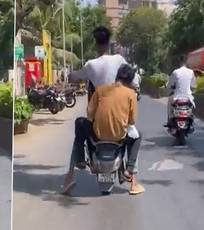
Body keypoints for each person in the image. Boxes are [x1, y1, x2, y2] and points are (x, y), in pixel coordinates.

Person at [62, 64, 145, 195]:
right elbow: (132, 120)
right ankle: (129, 170)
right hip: (119, 137)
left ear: (117, 76)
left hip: (97, 136)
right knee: (138, 136)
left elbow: (89, 114)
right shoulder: (131, 94)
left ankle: (80, 159)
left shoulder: (100, 90)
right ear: (130, 80)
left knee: (80, 122)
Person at [68, 26, 138, 100]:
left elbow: (72, 78)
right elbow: (134, 77)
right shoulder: (119, 59)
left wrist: (72, 74)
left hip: (101, 107)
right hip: (120, 107)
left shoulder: (91, 65)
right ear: (108, 43)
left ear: (96, 44)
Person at [165, 55, 196, 126]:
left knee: (169, 103)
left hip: (177, 97)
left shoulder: (175, 72)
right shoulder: (191, 72)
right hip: (188, 97)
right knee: (192, 106)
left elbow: (169, 85)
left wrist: (169, 88)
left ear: (179, 62)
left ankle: (170, 120)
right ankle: (191, 119)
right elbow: (194, 86)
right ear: (186, 62)